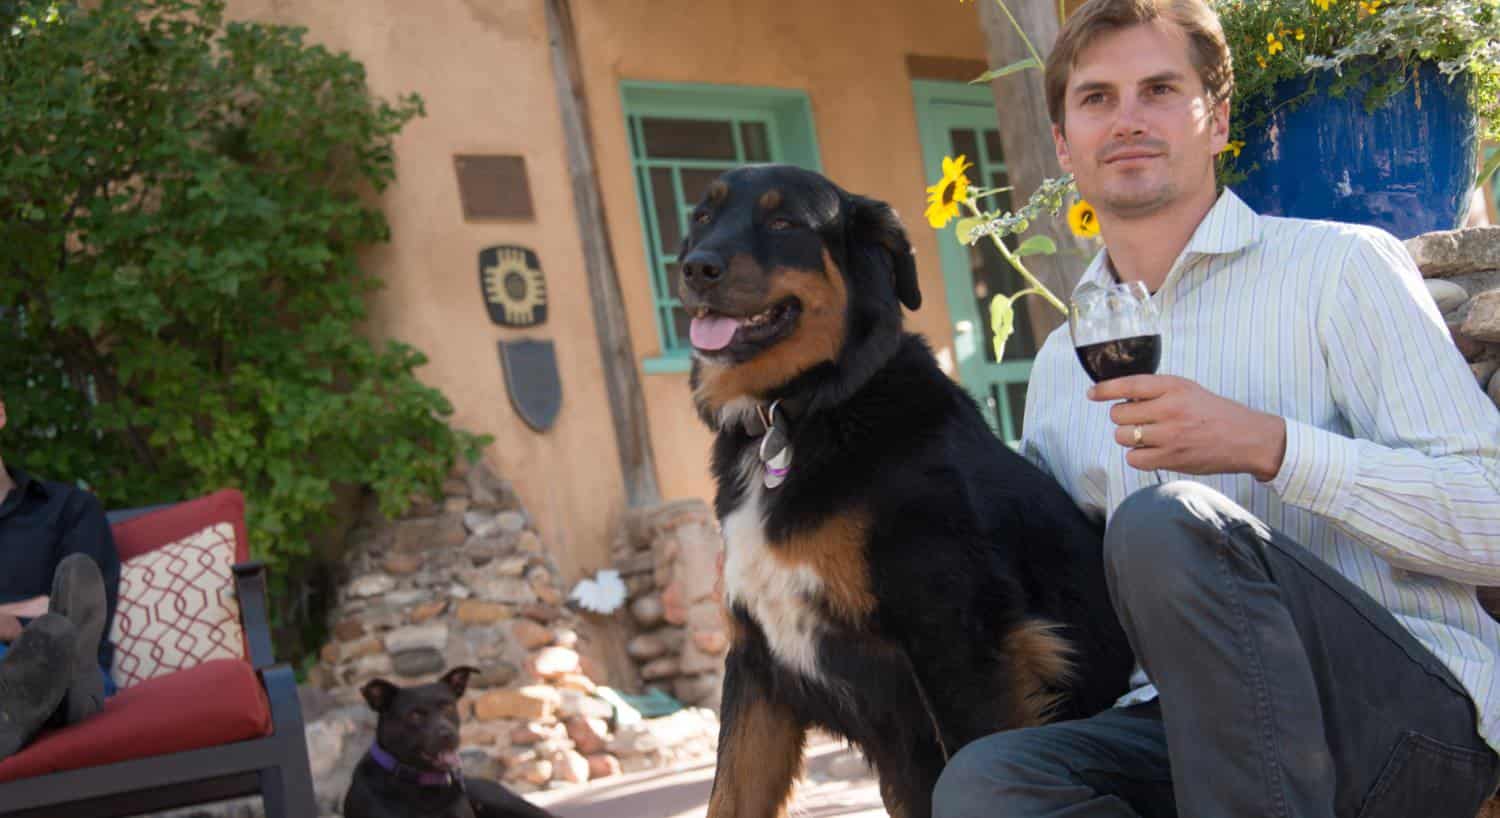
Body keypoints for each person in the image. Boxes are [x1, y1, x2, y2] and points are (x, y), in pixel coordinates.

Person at [930, 0, 1500, 815]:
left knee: (1166, 523)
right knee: (988, 785)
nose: (1127, 119)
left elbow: (1493, 521)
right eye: (1097, 99)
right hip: (1189, 736)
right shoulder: (1063, 363)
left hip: (1399, 718)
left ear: (1218, 119)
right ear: (1064, 143)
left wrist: (1271, 446)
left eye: (1159, 89)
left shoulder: (1338, 271)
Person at [0, 394, 120, 759]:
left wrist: (21, 627)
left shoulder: (68, 509)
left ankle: (27, 700)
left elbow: (79, 612)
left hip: (74, 667)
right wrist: (27, 616)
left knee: (63, 642)